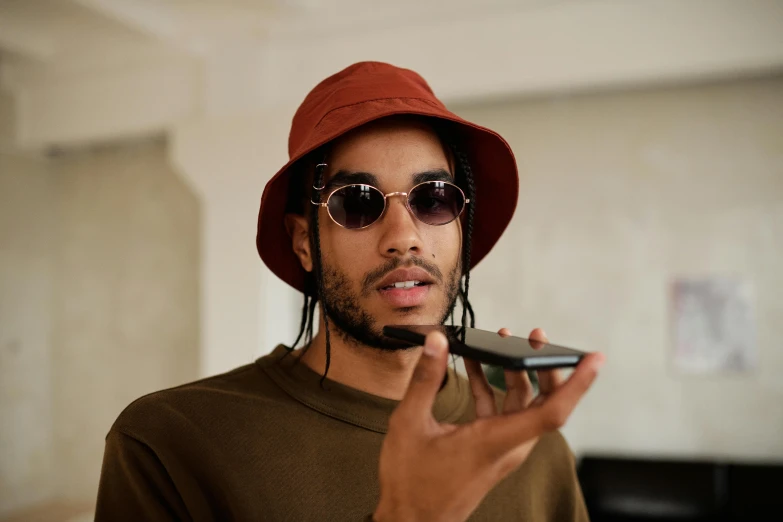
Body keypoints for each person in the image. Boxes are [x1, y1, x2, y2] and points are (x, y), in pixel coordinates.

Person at [95, 61, 605, 522]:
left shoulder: (531, 446)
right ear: (304, 244)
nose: (404, 237)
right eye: (357, 204)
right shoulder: (170, 442)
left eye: (433, 199)